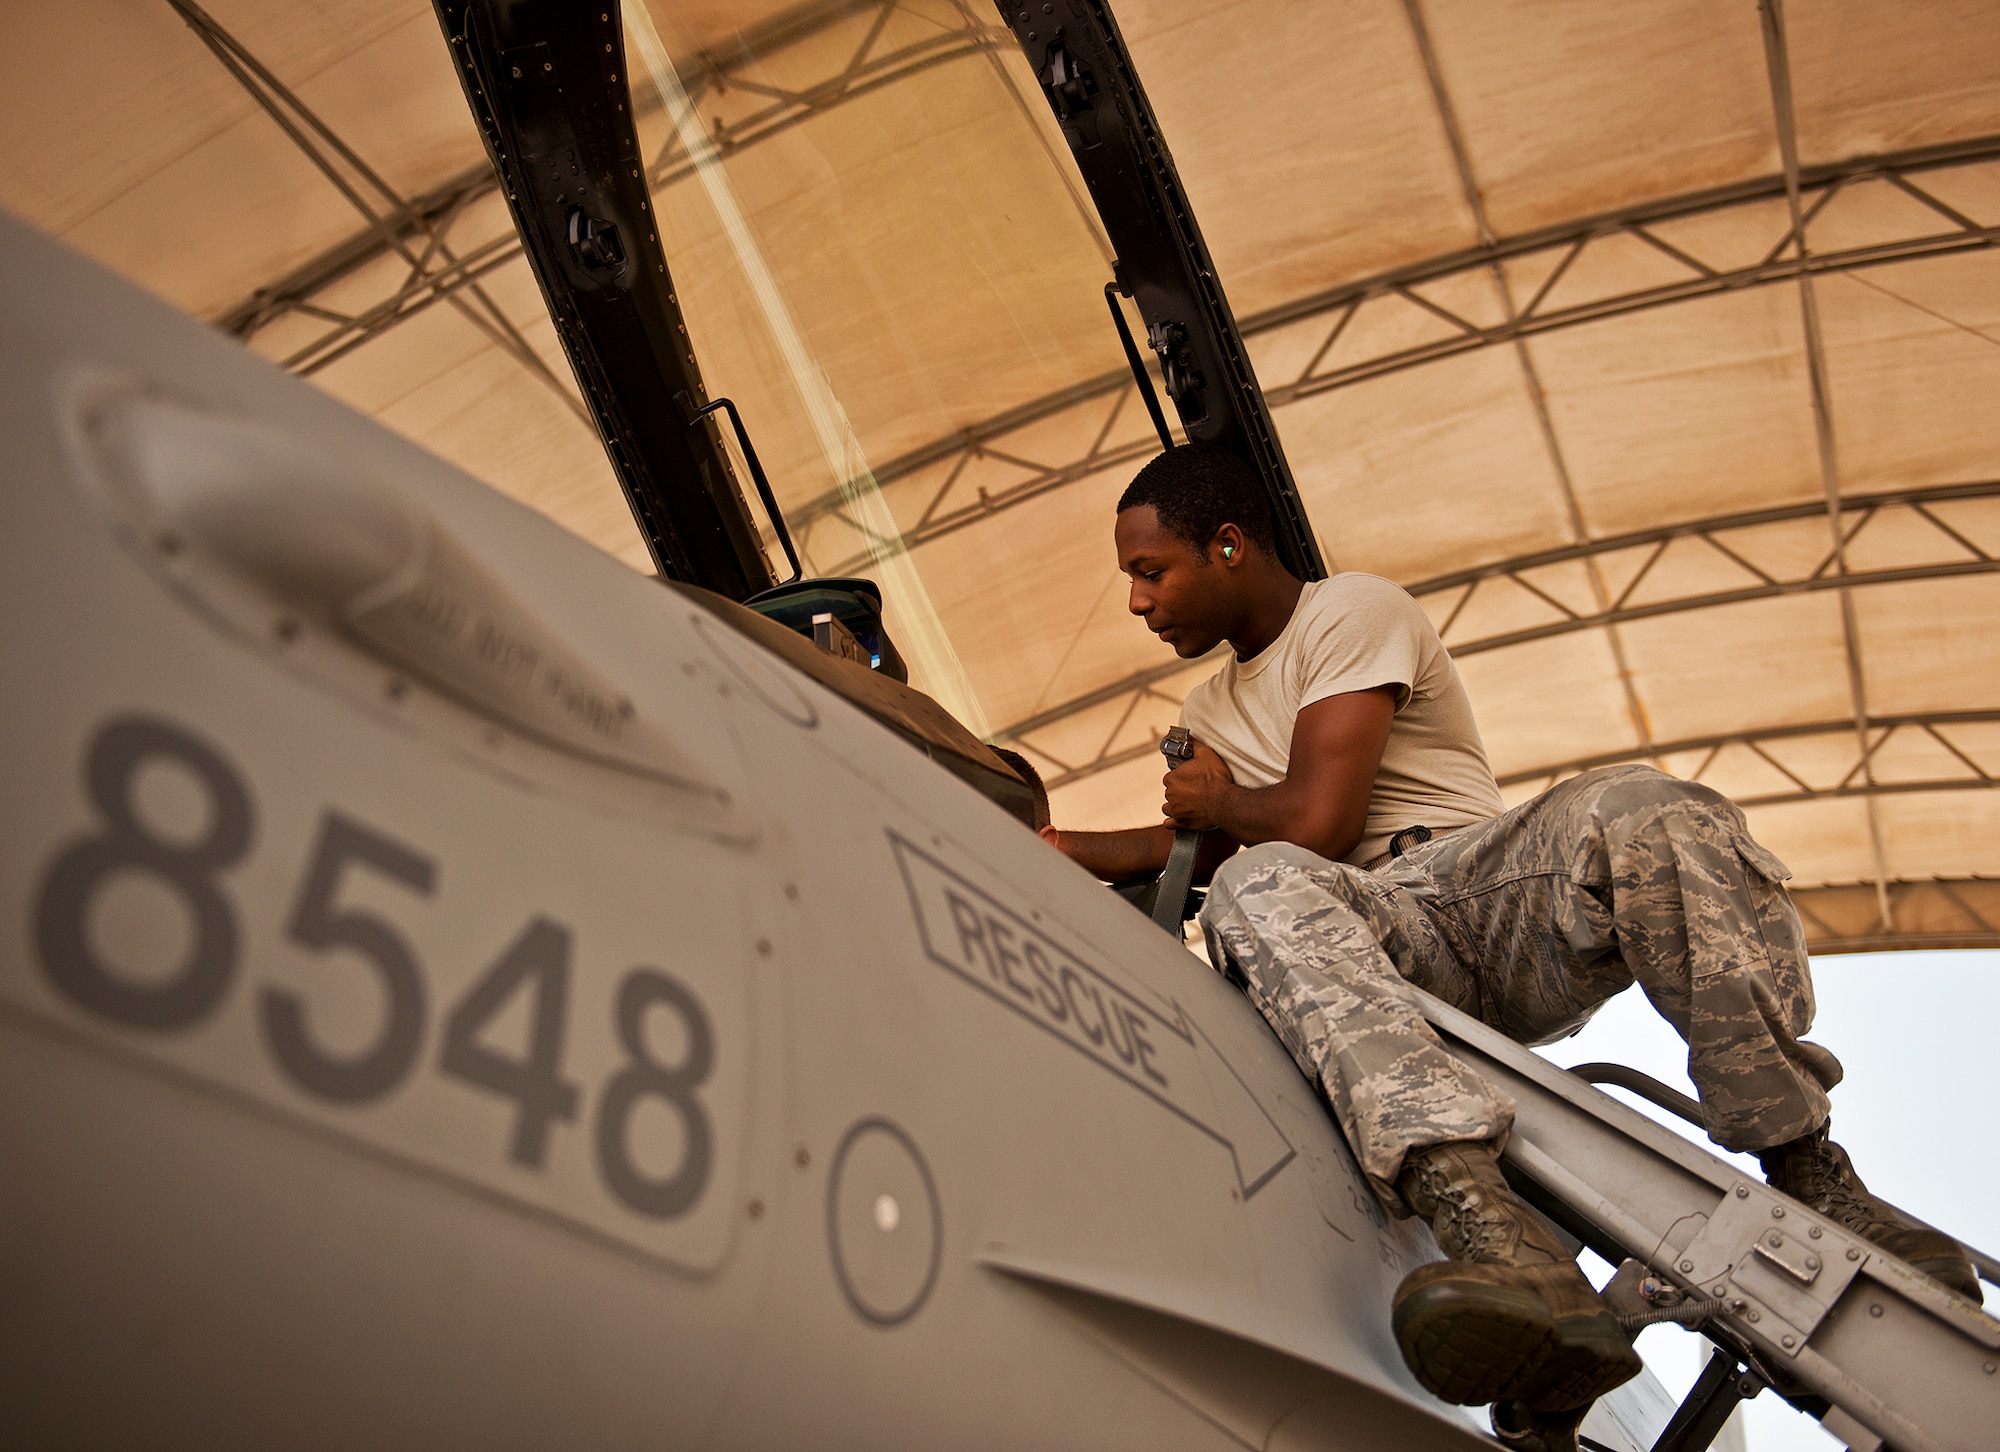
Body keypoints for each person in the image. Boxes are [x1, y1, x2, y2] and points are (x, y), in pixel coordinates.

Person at [1041, 442, 1980, 1425]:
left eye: (1150, 572)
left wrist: (1224, 800)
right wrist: (1058, 843)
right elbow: (1187, 847)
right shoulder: (1210, 708)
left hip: (1478, 897)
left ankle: (1808, 1169)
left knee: (1649, 810)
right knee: (1253, 886)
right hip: (1362, 948)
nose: (1139, 603)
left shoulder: (1349, 612)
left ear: (1227, 546)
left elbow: (1317, 817)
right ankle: (1494, 1236)